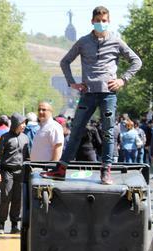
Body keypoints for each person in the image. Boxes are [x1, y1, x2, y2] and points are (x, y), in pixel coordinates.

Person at [41, 6, 142, 184]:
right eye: (98, 20)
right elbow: (65, 62)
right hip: (87, 94)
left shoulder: (116, 42)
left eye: (104, 21)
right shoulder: (83, 42)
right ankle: (61, 169)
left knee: (108, 133)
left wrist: (122, 80)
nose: (101, 24)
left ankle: (106, 171)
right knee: (76, 131)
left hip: (108, 95)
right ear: (92, 21)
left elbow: (136, 61)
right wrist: (72, 82)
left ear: (108, 21)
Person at [0, 113, 29, 234]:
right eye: (22, 123)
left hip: (20, 172)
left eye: (25, 123)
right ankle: (1, 224)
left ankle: (15, 224)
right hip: (6, 171)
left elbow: (27, 157)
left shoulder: (25, 138)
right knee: (6, 197)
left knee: (17, 199)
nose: (24, 125)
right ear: (15, 124)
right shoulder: (5, 137)